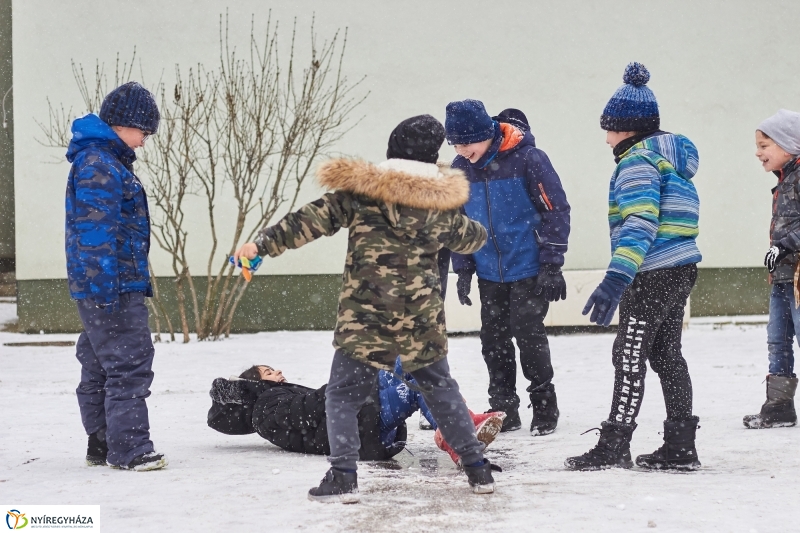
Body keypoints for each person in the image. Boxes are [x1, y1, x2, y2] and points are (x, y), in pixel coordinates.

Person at [233, 114, 495, 503]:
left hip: (365, 315)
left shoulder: (362, 192)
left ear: (391, 152)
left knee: (343, 394)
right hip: (419, 318)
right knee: (441, 390)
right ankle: (477, 470)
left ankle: (343, 477)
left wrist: (263, 244)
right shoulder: (438, 205)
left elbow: (310, 220)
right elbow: (472, 239)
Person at [565, 62, 702, 471]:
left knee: (628, 354)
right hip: (681, 268)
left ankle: (614, 445)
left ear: (627, 129)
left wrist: (617, 276)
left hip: (652, 271)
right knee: (667, 355)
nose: (606, 138)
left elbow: (640, 222)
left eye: (609, 129)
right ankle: (681, 447)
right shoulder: (672, 160)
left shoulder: (637, 162)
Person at [446, 100, 571, 435]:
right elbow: (457, 222)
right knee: (494, 340)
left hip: (529, 266)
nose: (460, 149)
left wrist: (552, 264)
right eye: (455, 143)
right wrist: (463, 268)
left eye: (465, 141)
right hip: (489, 271)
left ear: (484, 134)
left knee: (528, 335)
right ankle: (504, 408)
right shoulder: (461, 168)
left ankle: (545, 404)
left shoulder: (529, 160)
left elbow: (555, 210)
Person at [65, 81, 167, 471]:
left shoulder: (102, 161)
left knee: (98, 363)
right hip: (112, 285)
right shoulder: (100, 164)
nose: (144, 141)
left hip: (105, 283)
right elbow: (96, 233)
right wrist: (106, 288)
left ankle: (102, 442)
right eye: (144, 131)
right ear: (125, 124)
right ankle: (130, 449)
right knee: (129, 363)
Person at [207, 362, 505, 464]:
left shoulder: (276, 397)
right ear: (258, 383)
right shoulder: (264, 409)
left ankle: (465, 423)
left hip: (365, 416)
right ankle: (454, 439)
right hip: (363, 429)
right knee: (416, 387)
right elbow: (307, 413)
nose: (279, 371)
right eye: (270, 372)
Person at [743, 109, 800, 429]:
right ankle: (779, 406)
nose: (758, 152)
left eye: (765, 145)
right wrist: (776, 256)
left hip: (798, 275)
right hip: (783, 276)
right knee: (777, 338)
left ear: (789, 144)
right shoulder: (784, 181)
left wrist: (784, 245)